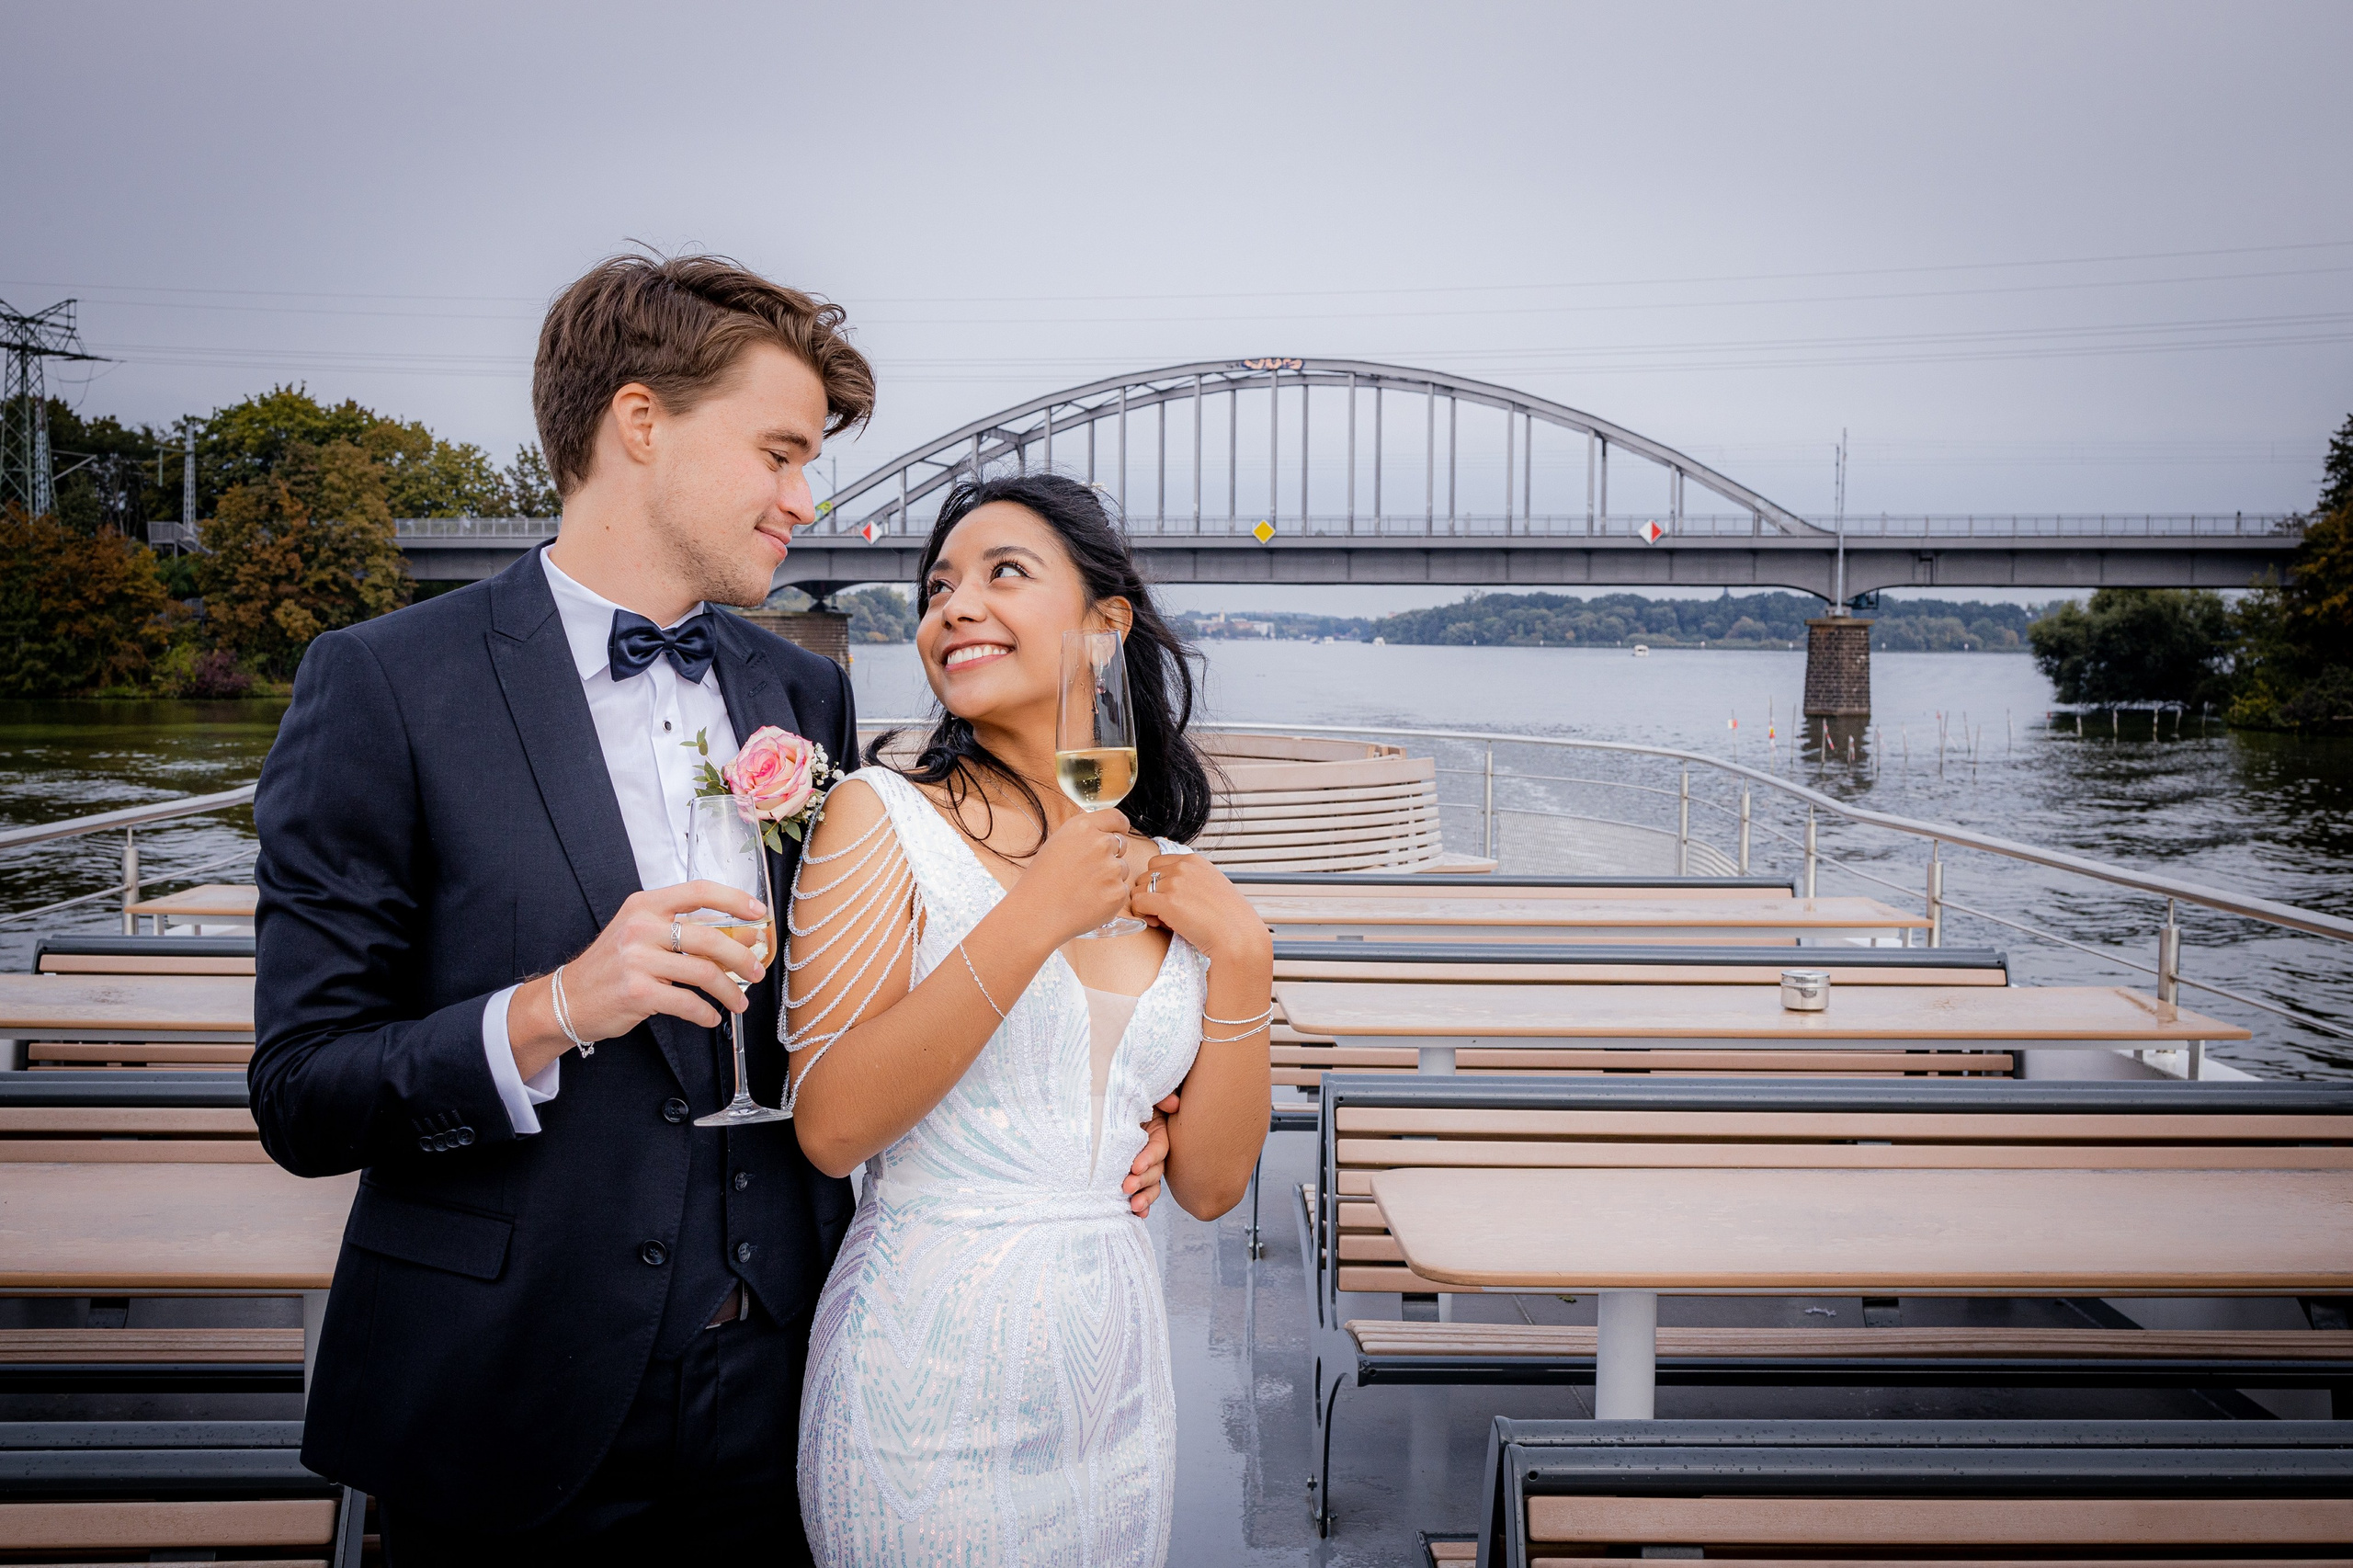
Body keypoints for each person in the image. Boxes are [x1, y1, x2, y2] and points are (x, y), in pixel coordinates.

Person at [249, 256, 1177, 1565]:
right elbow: (300, 1091)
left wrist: (1121, 1100)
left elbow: (868, 1007)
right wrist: (556, 1006)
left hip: (799, 1378)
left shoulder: (799, 693)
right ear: (642, 422)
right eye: (781, 452)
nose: (807, 499)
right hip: (511, 1387)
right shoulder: (385, 685)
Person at [786, 473, 1275, 1566]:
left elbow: (1206, 1186)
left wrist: (1243, 959)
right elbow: (830, 1125)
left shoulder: (1174, 875)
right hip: (927, 1378)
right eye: (938, 585)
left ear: (1106, 626)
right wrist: (1038, 908)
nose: (952, 604)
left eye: (1004, 571)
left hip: (1116, 1383)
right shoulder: (881, 813)